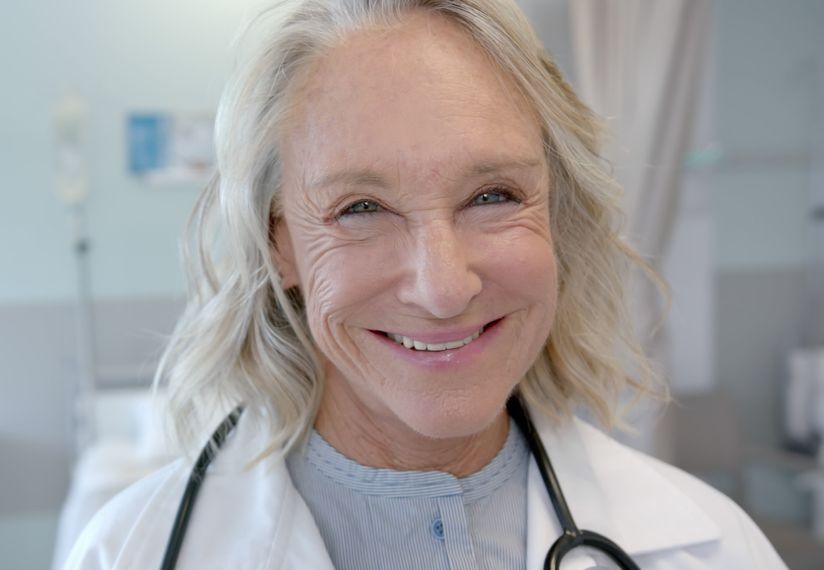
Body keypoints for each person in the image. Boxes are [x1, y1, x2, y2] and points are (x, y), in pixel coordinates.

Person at [64, 0, 786, 568]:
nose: (442, 288)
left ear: (557, 219)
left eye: (493, 195)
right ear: (279, 245)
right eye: (361, 209)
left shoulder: (715, 551)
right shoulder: (126, 554)